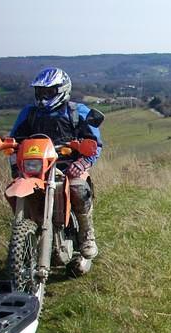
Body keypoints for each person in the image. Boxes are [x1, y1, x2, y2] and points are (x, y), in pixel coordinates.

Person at [10, 68, 102, 259]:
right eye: (40, 92)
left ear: (62, 90)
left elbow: (95, 143)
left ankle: (86, 234)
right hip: (36, 169)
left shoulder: (77, 112)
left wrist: (84, 162)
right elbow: (15, 141)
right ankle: (27, 234)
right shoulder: (29, 113)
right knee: (14, 189)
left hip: (69, 166)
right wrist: (13, 159)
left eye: (48, 92)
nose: (43, 97)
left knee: (77, 189)